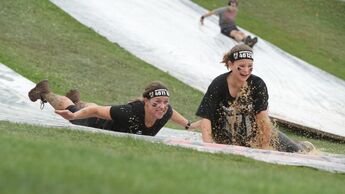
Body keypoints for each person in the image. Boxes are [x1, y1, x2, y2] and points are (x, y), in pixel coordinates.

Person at [196, 44, 314, 153]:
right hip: (226, 135)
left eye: (250, 66)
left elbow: (263, 120)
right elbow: (206, 117)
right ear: (231, 64)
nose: (246, 70)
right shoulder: (218, 84)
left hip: (256, 134)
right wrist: (208, 146)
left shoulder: (257, 84)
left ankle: (300, 145)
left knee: (297, 151)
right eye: (241, 66)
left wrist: (263, 150)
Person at [28, 80, 200, 136]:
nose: (162, 107)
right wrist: (74, 116)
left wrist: (189, 125)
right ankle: (44, 92)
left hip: (104, 114)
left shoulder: (165, 111)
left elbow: (172, 113)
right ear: (145, 101)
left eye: (165, 102)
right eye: (157, 103)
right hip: (97, 122)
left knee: (95, 107)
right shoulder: (129, 112)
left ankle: (78, 101)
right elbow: (96, 111)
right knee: (72, 109)